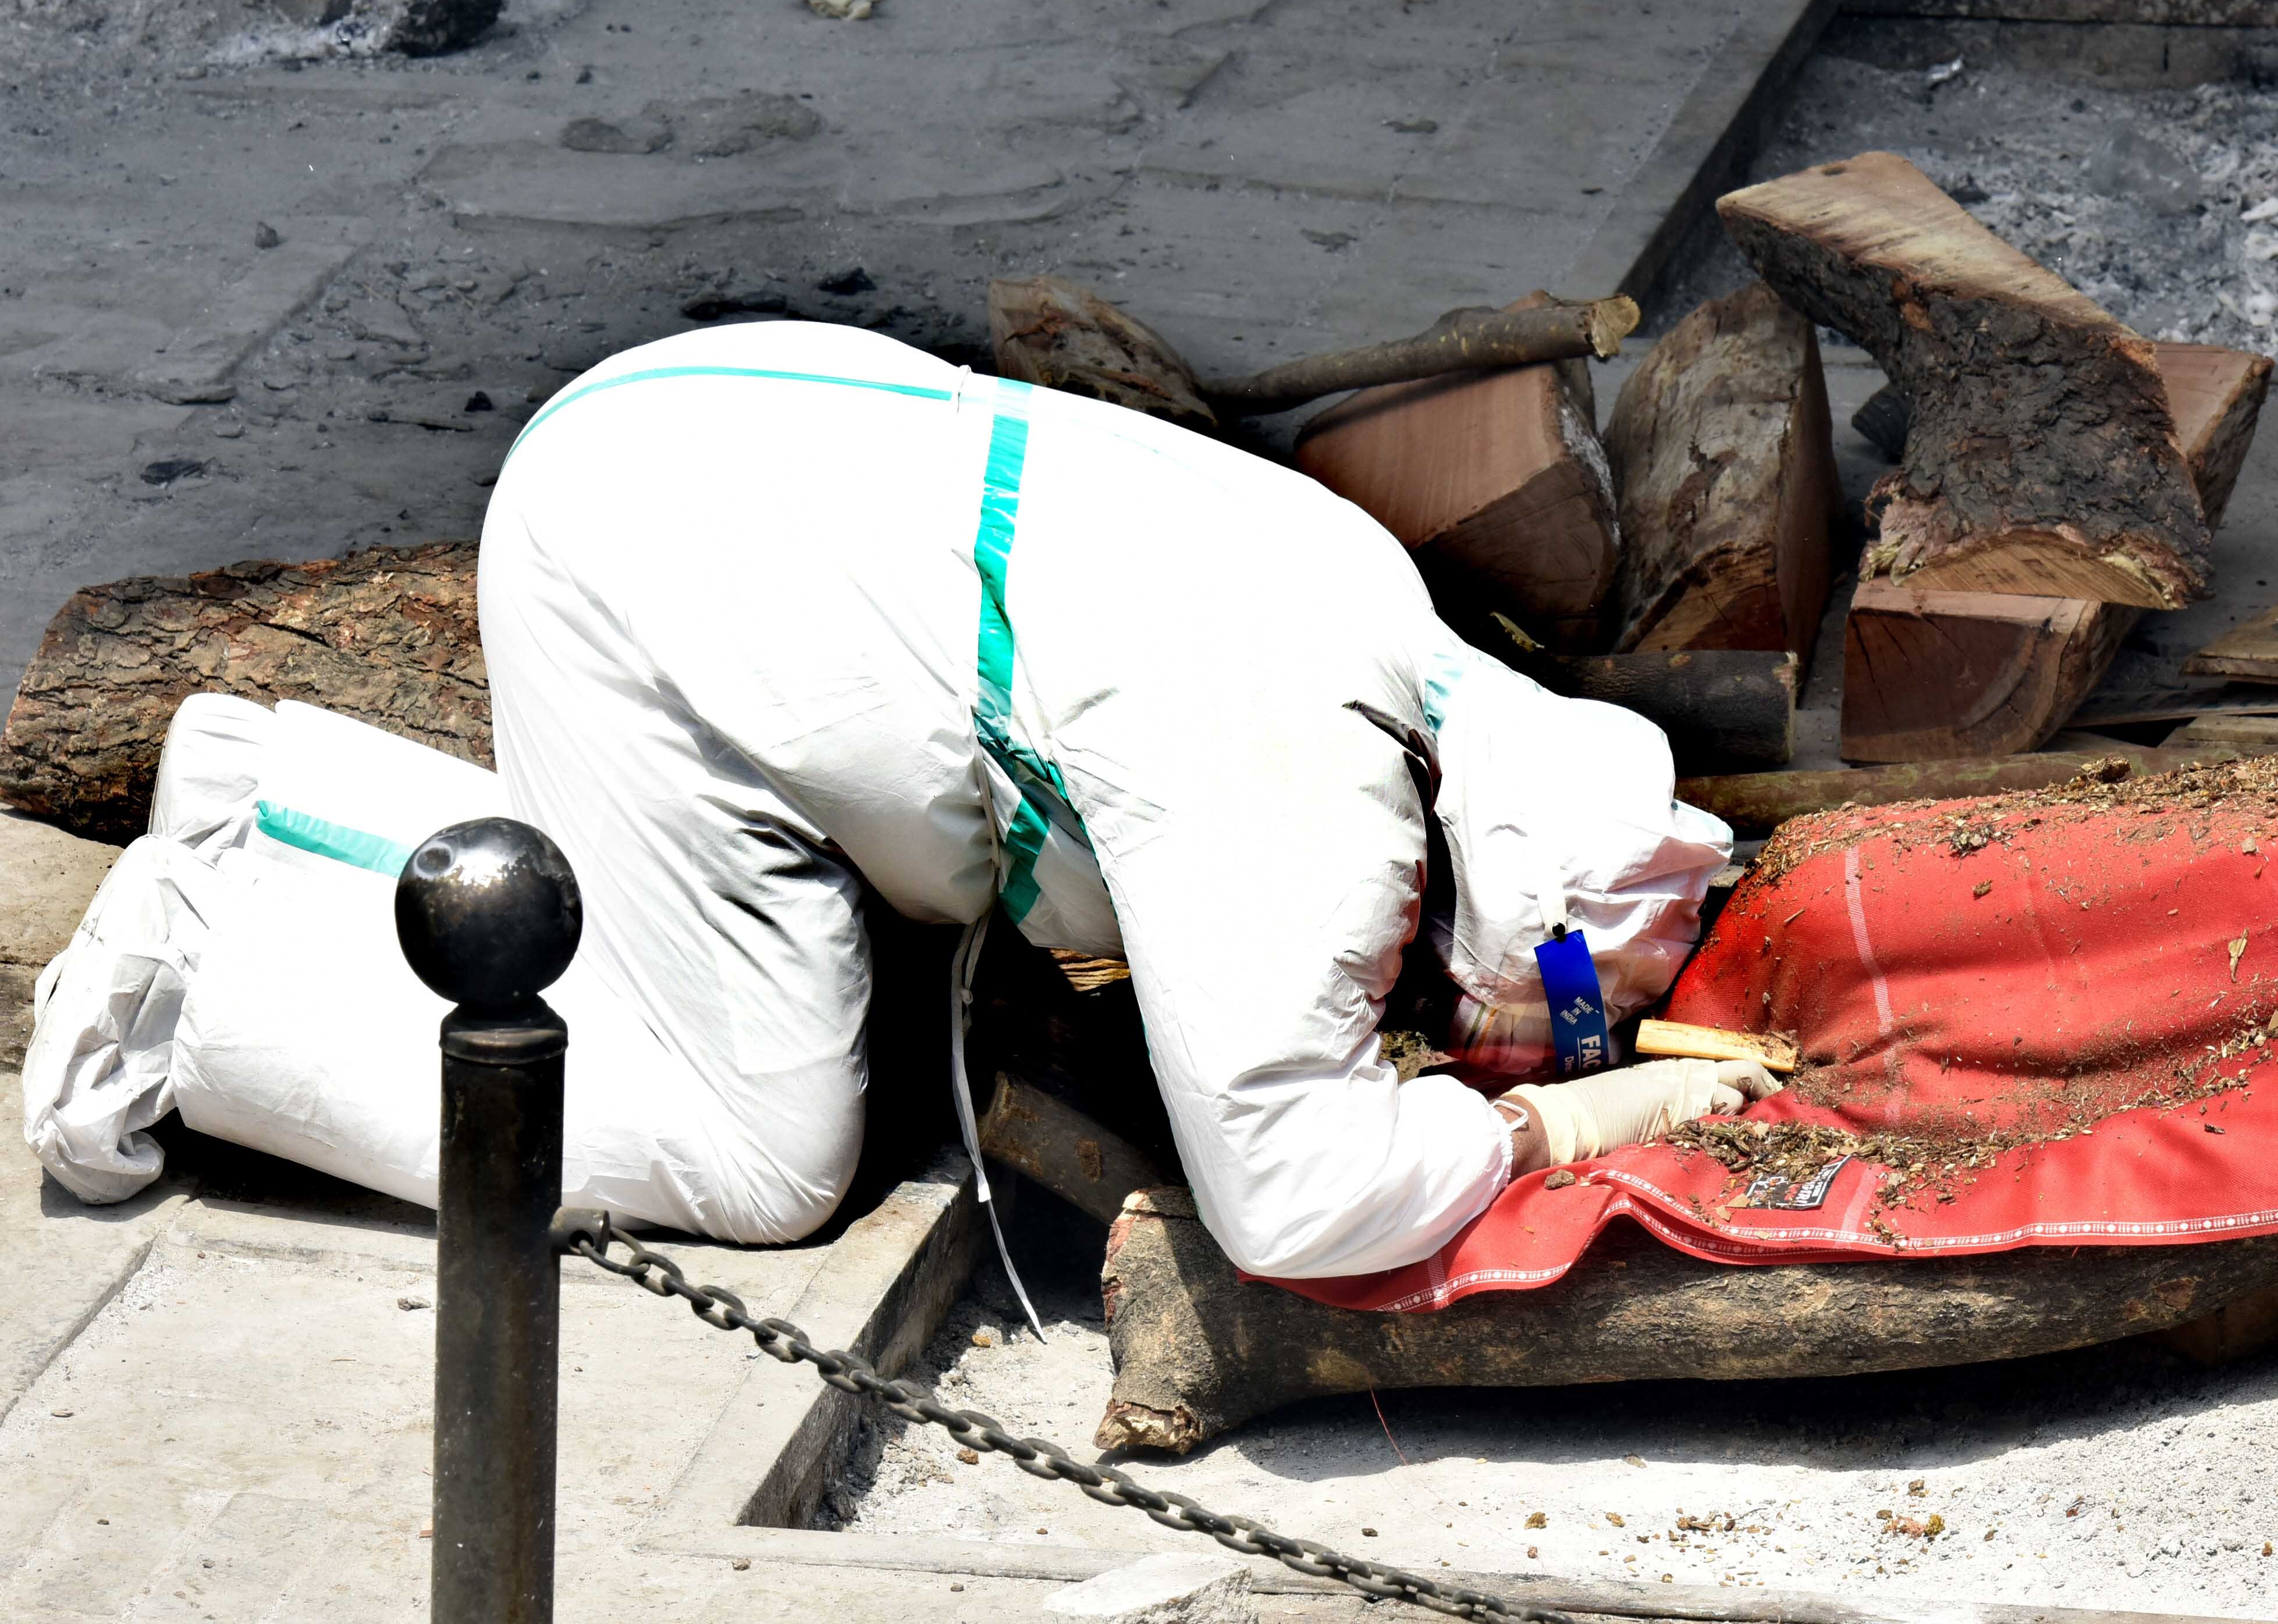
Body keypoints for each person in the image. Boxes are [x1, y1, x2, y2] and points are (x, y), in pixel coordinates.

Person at [22, 321, 1776, 1279]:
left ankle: (272, 806)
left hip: (728, 430)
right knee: (758, 1160)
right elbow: (1298, 1207)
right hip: (643, 562)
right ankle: (202, 965)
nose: (1543, 1032)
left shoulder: (1390, 630)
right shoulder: (1308, 797)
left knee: (724, 1026)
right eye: (1558, 1000)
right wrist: (1558, 1131)